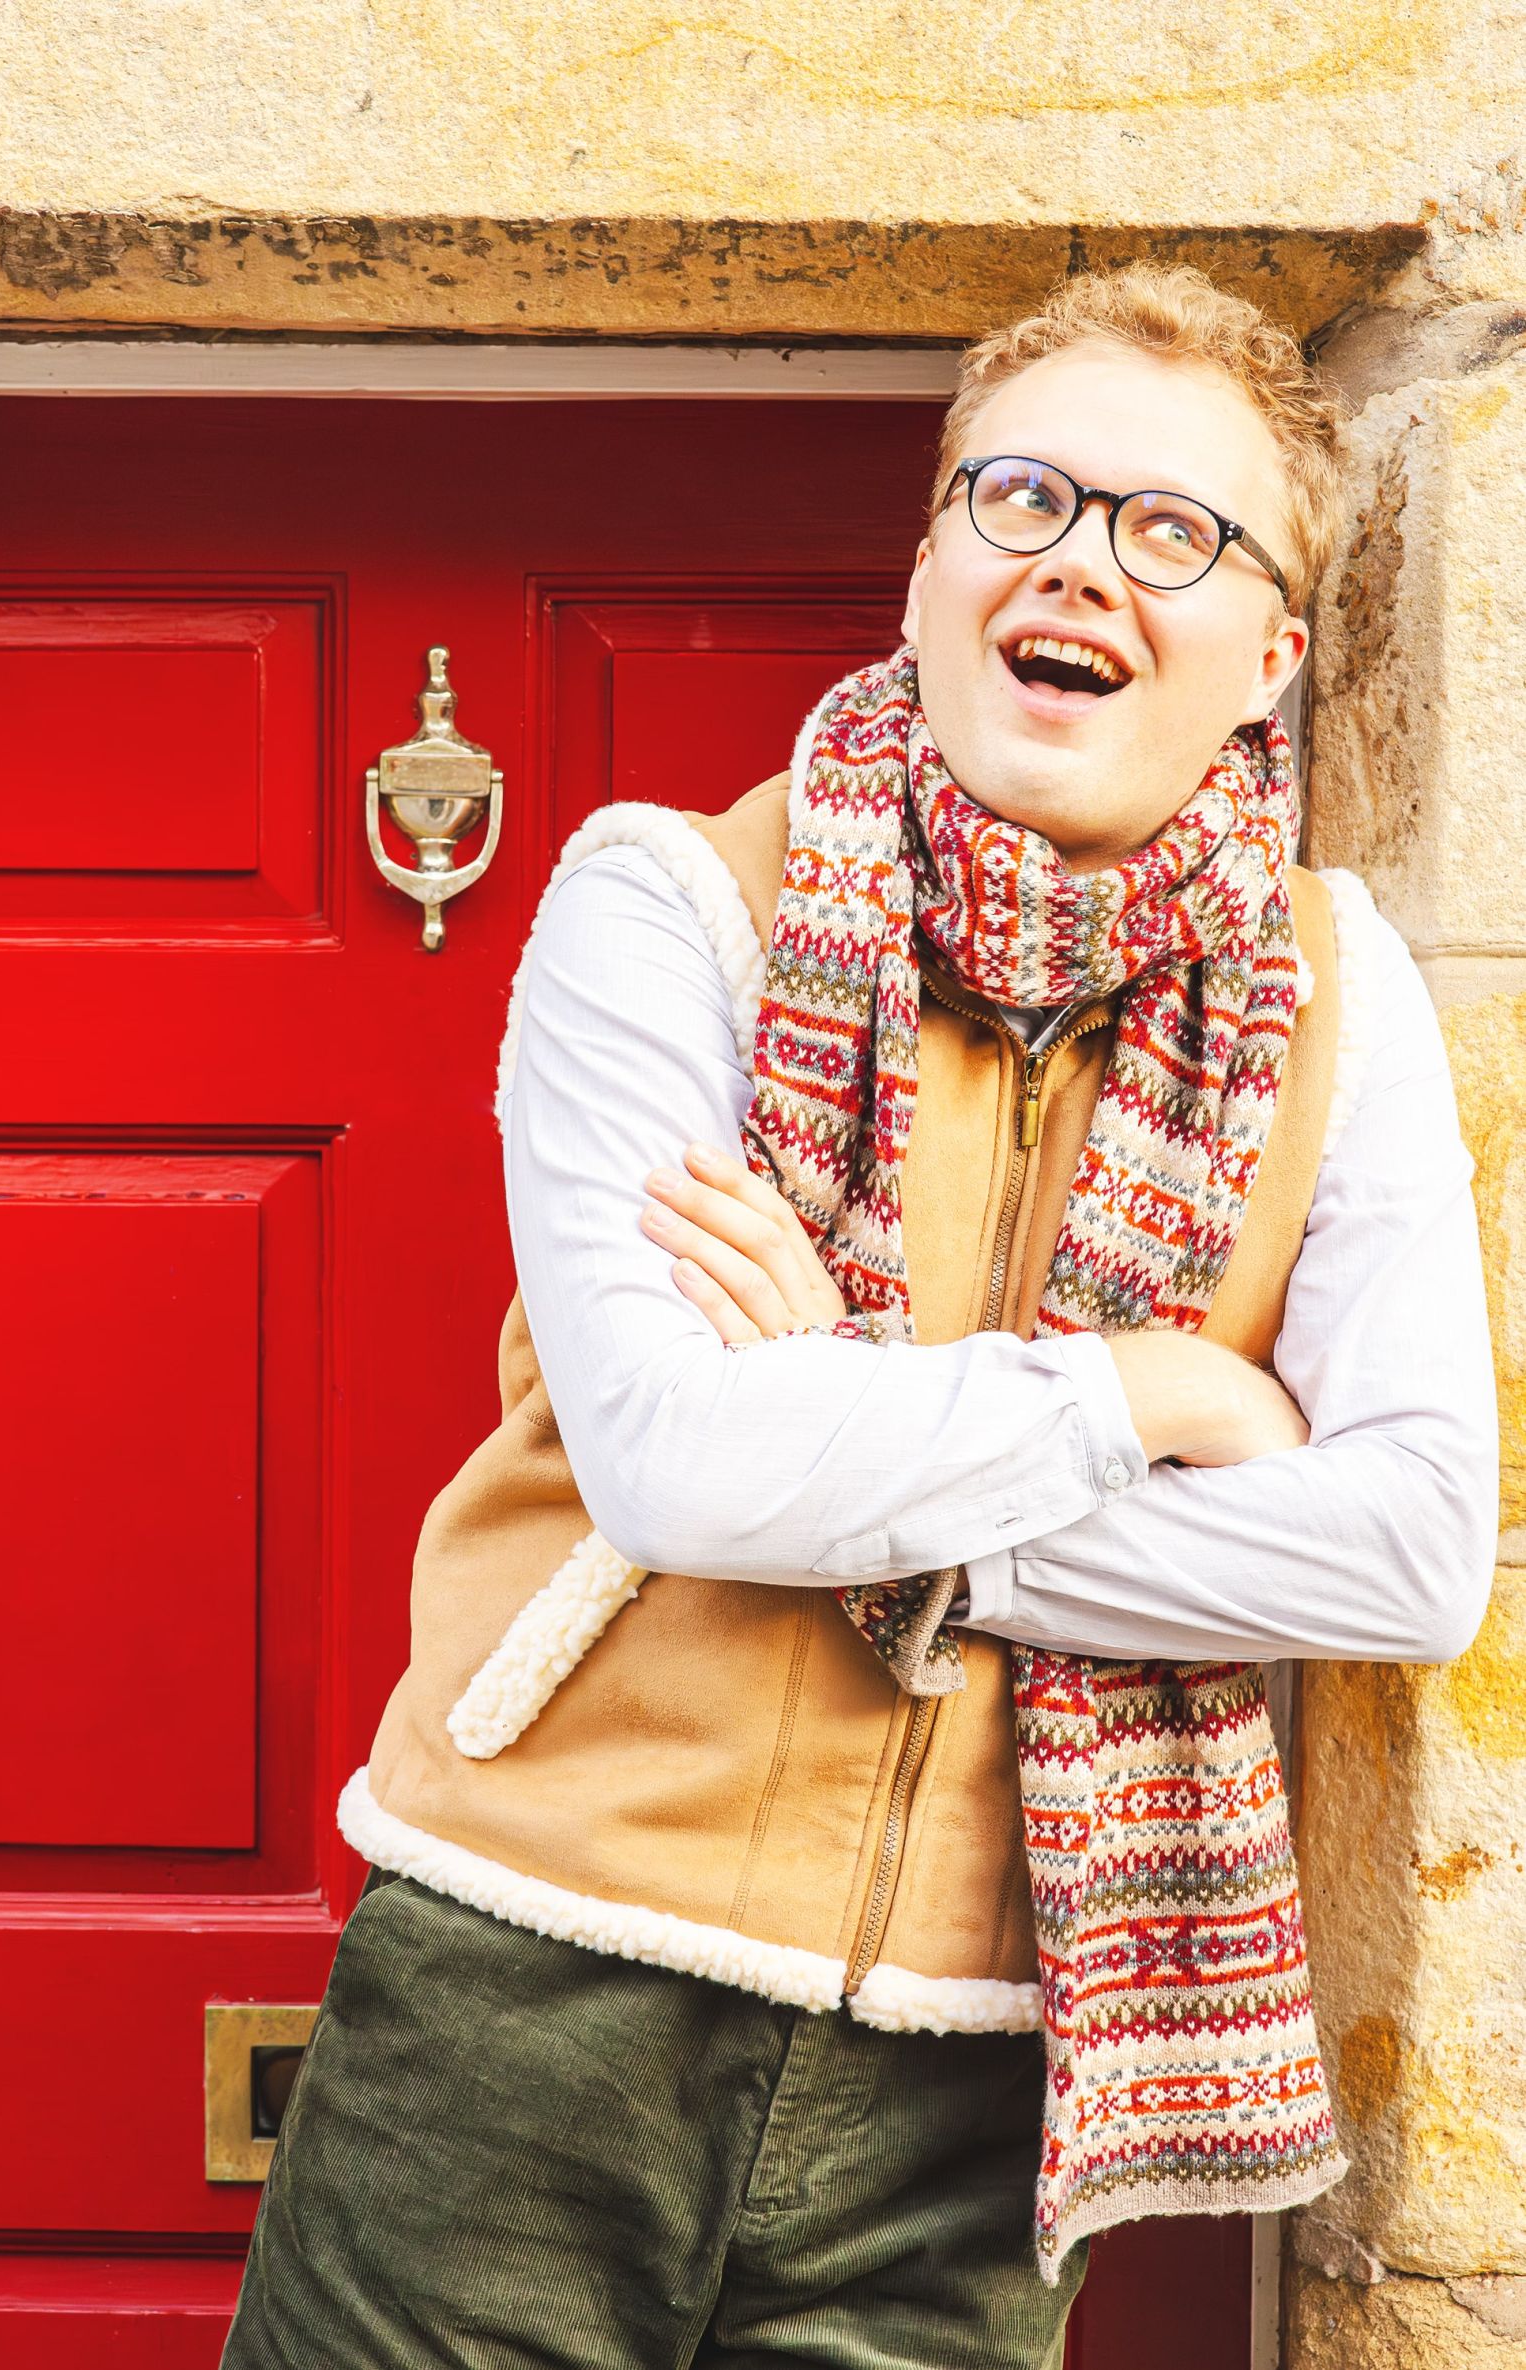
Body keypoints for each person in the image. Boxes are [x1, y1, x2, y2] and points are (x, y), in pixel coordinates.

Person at [221, 265, 1497, 2370]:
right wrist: (1156, 1390)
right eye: (1021, 498)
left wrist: (855, 1426)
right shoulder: (667, 904)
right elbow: (676, 1466)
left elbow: (1404, 1549)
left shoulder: (1331, 1000)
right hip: (526, 2012)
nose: (1078, 560)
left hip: (985, 2081)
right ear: (927, 565)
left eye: (1168, 529)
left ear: (1268, 657)